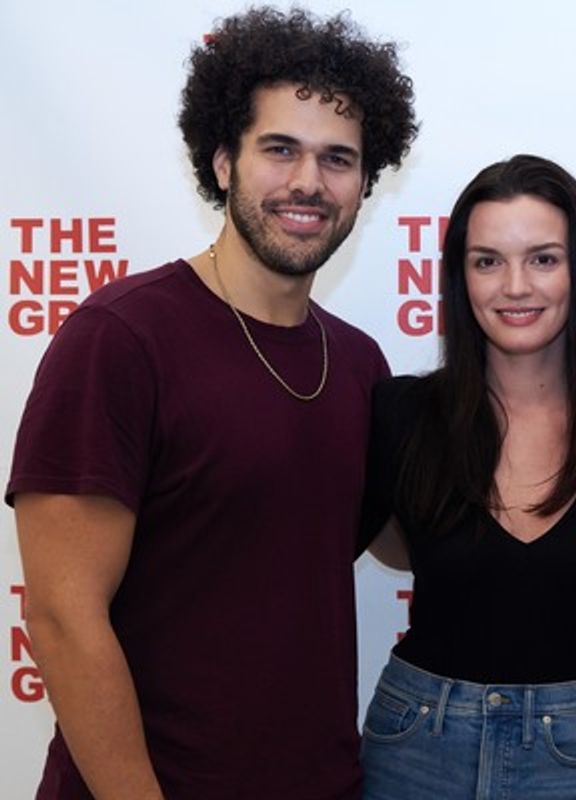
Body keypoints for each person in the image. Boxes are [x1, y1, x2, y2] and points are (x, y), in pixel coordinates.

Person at [5, 8, 417, 799]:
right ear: (223, 160)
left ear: (366, 180)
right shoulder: (122, 338)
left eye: (338, 158)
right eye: (279, 149)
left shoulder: (361, 361)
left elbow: (402, 541)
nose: (308, 181)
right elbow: (62, 618)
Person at [358, 154, 576, 799]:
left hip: (573, 751)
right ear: (459, 278)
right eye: (487, 260)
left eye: (544, 258)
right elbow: (317, 548)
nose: (514, 286)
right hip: (415, 740)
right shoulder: (402, 414)